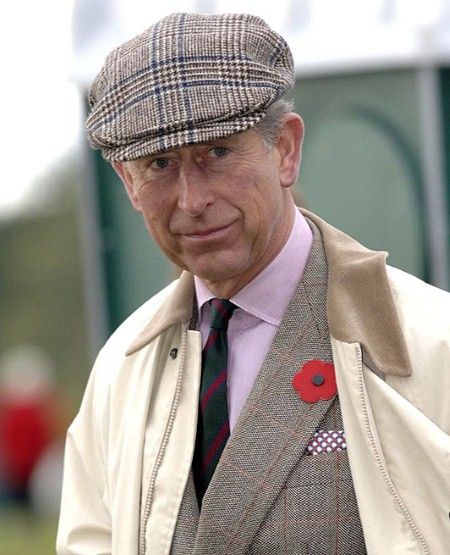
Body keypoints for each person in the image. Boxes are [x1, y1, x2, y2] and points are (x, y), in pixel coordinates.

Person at [57, 12, 450, 555]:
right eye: (160, 164)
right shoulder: (120, 371)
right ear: (128, 183)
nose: (192, 200)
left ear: (285, 149)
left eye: (217, 152)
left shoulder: (433, 343)